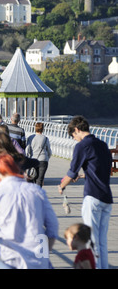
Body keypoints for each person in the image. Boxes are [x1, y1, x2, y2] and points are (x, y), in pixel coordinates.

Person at [0, 154, 59, 269]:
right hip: (37, 259)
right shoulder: (37, 191)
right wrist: (46, 251)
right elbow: (53, 226)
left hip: (6, 258)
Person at [59, 115, 113, 269]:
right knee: (102, 241)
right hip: (106, 197)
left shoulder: (82, 146)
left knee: (91, 240)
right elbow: (100, 169)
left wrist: (62, 185)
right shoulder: (103, 145)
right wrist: (85, 175)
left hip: (92, 196)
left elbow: (71, 172)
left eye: (73, 136)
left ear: (77, 130)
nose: (75, 139)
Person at [26, 122, 52, 187]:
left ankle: (32, 193)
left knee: (32, 177)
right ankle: (38, 193)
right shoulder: (45, 138)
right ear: (43, 129)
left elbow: (27, 150)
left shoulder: (31, 138)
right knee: (40, 179)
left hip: (33, 160)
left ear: (35, 128)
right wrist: (47, 158)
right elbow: (49, 151)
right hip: (43, 160)